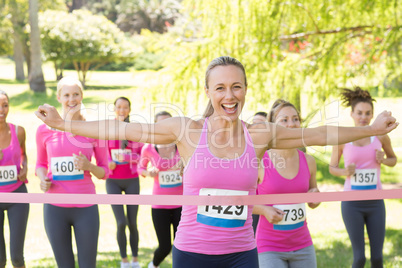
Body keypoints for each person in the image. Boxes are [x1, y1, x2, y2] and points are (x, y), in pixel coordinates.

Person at [35, 56, 398, 268]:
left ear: (245, 90)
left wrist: (372, 127)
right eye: (220, 88)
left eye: (236, 87)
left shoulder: (259, 135)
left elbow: (318, 135)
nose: (229, 95)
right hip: (192, 253)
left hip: (243, 253)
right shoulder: (187, 131)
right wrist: (62, 123)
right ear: (208, 92)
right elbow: (126, 129)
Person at [35, 77, 109, 268]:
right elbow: (41, 164)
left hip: (86, 207)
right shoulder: (44, 131)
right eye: (66, 95)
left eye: (76, 94)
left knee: (87, 265)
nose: (72, 99)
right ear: (59, 98)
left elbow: (105, 172)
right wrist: (43, 178)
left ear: (82, 96)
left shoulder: (94, 130)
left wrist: (89, 167)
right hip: (54, 207)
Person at [329, 87, 397, 268]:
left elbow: (393, 160)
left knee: (377, 259)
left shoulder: (381, 137)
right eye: (359, 113)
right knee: (359, 258)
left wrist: (384, 159)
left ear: (373, 115)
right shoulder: (343, 139)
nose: (363, 117)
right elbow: (332, 168)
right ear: (352, 114)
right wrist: (344, 172)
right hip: (352, 203)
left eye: (368, 113)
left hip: (375, 202)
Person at [254, 99, 320, 268]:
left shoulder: (309, 161)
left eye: (295, 119)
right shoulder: (260, 161)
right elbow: (242, 201)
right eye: (284, 120)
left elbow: (313, 196)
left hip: (303, 244)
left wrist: (315, 196)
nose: (291, 124)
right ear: (272, 125)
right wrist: (263, 209)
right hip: (269, 246)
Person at [137, 111, 183, 268]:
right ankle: (153, 265)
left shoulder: (182, 145)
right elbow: (140, 168)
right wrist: (148, 173)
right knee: (165, 246)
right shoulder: (149, 148)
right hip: (160, 205)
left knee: (182, 245)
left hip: (182, 204)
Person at [106, 97, 143, 268]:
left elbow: (143, 155)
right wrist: (108, 162)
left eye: (125, 107)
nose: (122, 110)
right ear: (114, 108)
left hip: (131, 181)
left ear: (129, 109)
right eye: (118, 107)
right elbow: (101, 153)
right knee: (121, 222)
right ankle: (124, 260)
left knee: (132, 222)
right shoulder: (107, 128)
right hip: (113, 181)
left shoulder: (135, 129)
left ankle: (135, 259)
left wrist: (129, 157)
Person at [0, 90, 28, 268]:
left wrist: (25, 168)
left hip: (17, 195)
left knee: (17, 257)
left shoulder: (19, 131)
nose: (2, 109)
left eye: (5, 105)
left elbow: (24, 155)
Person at [251, 111, 268, 235]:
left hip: (265, 203)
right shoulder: (243, 147)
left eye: (260, 124)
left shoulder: (273, 152)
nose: (255, 127)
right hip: (249, 203)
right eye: (253, 123)